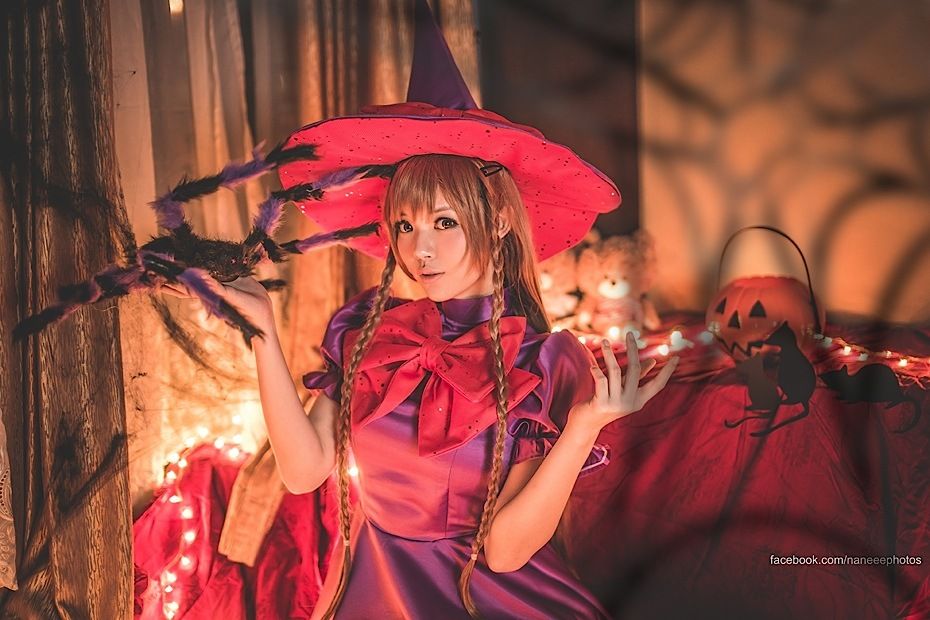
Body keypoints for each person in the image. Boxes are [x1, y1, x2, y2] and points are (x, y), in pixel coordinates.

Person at [164, 153, 678, 619]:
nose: (419, 249)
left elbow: (504, 553)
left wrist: (584, 427)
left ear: (498, 221)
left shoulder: (540, 364)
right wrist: (261, 328)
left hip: (482, 598)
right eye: (405, 225)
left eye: (444, 222)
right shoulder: (371, 328)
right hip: (369, 587)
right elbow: (303, 473)